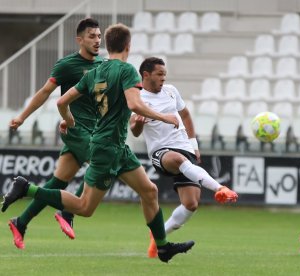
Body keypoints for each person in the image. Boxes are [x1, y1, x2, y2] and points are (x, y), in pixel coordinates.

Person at [2, 23, 194, 263]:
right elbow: (134, 105)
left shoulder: (95, 72)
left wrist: (68, 120)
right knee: (84, 207)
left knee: (150, 191)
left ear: (107, 44)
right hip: (105, 147)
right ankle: (27, 189)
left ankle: (163, 247)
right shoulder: (126, 71)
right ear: (128, 46)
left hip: (116, 146)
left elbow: (62, 101)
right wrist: (164, 116)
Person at [7, 18, 103, 249]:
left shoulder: (103, 64)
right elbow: (44, 92)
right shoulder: (67, 65)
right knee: (106, 162)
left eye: (99, 36)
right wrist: (22, 117)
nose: (97, 40)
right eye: (92, 36)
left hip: (95, 130)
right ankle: (68, 211)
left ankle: (21, 221)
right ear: (79, 39)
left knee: (57, 182)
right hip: (77, 129)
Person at [129, 57, 238, 258]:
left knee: (191, 204)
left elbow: (185, 115)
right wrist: (139, 124)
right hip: (161, 152)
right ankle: (219, 188)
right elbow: (134, 131)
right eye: (159, 74)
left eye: (165, 74)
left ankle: (158, 235)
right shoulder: (138, 98)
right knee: (179, 161)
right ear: (146, 75)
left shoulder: (171, 91)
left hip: (184, 148)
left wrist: (193, 144)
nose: (163, 78)